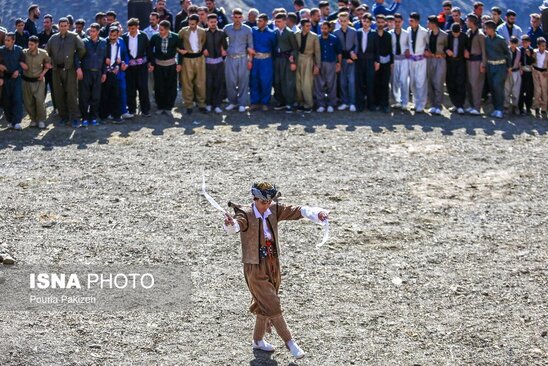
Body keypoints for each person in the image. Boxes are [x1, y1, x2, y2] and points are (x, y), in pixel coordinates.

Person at [223, 182, 328, 360]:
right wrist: (230, 224)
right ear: (254, 199)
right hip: (255, 266)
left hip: (273, 264)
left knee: (264, 305)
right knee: (272, 303)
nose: (266, 205)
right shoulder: (245, 213)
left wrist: (317, 213)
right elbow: (236, 226)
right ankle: (290, 342)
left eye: (269, 202)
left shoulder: (273, 209)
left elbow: (297, 210)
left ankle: (257, 340)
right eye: (263, 202)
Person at [47, 17, 86, 128]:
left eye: (65, 26)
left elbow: (82, 50)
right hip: (56, 70)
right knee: (59, 94)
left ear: (68, 26)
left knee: (71, 94)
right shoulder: (53, 38)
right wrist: (48, 62)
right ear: (58, 26)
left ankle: (74, 118)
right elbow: (47, 52)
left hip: (70, 70)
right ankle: (63, 117)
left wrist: (75, 62)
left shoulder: (74, 37)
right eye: (61, 26)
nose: (63, 28)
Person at [223, 8, 254, 113]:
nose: (237, 19)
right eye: (235, 17)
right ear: (232, 17)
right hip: (230, 58)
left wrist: (250, 60)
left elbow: (250, 45)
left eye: (239, 17)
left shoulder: (247, 29)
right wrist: (223, 50)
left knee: (243, 81)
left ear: (242, 17)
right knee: (230, 81)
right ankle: (232, 102)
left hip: (243, 58)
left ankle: (242, 103)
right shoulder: (227, 28)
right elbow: (221, 41)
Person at [148, 20, 181, 117]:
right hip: (158, 65)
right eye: (159, 29)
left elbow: (181, 50)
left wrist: (180, 64)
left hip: (171, 65)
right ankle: (160, 106)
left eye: (162, 30)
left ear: (167, 29)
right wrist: (152, 63)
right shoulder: (155, 37)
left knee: (171, 87)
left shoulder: (175, 37)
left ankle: (168, 107)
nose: (160, 31)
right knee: (159, 87)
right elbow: (150, 50)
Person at [178, 14, 207, 115]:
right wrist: (180, 50)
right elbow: (176, 42)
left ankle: (202, 104)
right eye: (190, 24)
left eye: (193, 24)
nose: (191, 26)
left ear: (197, 23)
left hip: (199, 58)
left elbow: (203, 42)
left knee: (201, 82)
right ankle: (189, 105)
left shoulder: (202, 31)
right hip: (187, 58)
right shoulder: (183, 31)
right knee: (187, 83)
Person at [79, 23, 107, 127]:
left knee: (96, 96)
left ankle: (94, 117)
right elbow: (78, 56)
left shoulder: (103, 42)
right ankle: (84, 117)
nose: (91, 33)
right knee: (84, 96)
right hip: (86, 71)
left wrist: (104, 72)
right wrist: (78, 69)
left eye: (94, 31)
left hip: (98, 72)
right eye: (90, 31)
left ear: (98, 31)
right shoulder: (84, 42)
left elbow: (105, 59)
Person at [123, 18, 151, 118]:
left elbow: (149, 50)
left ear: (137, 27)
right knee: (131, 89)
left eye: (133, 28)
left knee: (143, 87)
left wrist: (149, 62)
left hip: (141, 66)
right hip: (129, 67)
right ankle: (131, 110)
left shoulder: (143, 36)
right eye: (130, 28)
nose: (132, 30)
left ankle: (145, 110)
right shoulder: (124, 38)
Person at [100, 26, 129, 123]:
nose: (112, 37)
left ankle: (116, 115)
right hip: (105, 72)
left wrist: (120, 63)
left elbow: (122, 56)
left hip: (115, 72)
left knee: (116, 94)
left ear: (118, 35)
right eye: (111, 35)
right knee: (105, 94)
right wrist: (105, 61)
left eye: (114, 35)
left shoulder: (119, 43)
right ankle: (104, 115)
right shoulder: (104, 43)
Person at [484, 20, 511, 119]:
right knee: (492, 88)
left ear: (491, 29)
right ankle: (495, 109)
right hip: (490, 66)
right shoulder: (486, 40)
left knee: (498, 87)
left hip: (500, 66)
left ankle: (500, 109)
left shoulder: (500, 39)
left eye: (486, 28)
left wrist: (509, 66)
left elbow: (508, 53)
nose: (485, 30)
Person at [22, 35, 51, 129]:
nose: (29, 46)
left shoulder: (43, 53)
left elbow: (48, 65)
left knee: (39, 101)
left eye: (32, 44)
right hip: (26, 80)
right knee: (28, 102)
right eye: (29, 44)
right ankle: (33, 119)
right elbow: (18, 61)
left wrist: (43, 74)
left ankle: (41, 120)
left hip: (39, 81)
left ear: (37, 44)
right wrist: (22, 64)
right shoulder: (24, 53)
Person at [249, 14, 276, 112]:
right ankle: (255, 102)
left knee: (266, 82)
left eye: (260, 21)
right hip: (255, 59)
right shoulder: (253, 31)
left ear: (265, 22)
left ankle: (265, 103)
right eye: (257, 20)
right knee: (254, 80)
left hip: (266, 60)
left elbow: (274, 47)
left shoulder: (272, 33)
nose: (258, 22)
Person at [0, 33, 27, 130]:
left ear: (13, 41)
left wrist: (18, 71)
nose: (6, 42)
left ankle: (16, 122)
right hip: (6, 78)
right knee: (6, 100)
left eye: (8, 40)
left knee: (17, 99)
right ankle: (10, 121)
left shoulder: (19, 50)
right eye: (5, 40)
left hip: (16, 78)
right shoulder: (1, 50)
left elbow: (23, 63)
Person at [272, 13, 298, 113]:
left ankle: (289, 103)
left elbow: (295, 48)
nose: (276, 23)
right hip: (277, 60)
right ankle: (280, 101)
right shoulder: (275, 32)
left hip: (287, 60)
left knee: (288, 82)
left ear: (285, 21)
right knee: (277, 81)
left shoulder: (290, 33)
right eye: (276, 21)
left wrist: (293, 60)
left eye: (279, 21)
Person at [315, 21, 341, 113]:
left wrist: (339, 63)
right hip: (320, 63)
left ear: (329, 29)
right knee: (319, 84)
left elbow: (339, 53)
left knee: (331, 84)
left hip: (331, 63)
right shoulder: (317, 39)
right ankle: (321, 104)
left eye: (325, 28)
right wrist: (315, 65)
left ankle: (331, 104)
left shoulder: (334, 39)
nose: (323, 30)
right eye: (322, 28)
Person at [295, 18, 320, 113]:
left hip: (309, 59)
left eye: (310, 25)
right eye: (307, 26)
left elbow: (317, 52)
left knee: (307, 83)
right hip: (298, 58)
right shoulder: (296, 35)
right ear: (302, 26)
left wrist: (317, 65)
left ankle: (309, 104)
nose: (309, 27)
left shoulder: (314, 36)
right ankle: (300, 102)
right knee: (298, 83)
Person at [334, 12, 358, 112]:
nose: (343, 23)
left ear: (348, 21)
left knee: (351, 81)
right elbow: (336, 48)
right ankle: (345, 102)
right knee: (342, 81)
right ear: (339, 21)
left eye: (345, 21)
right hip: (341, 59)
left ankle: (352, 102)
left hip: (351, 60)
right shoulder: (336, 32)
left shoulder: (353, 31)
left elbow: (356, 45)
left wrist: (352, 57)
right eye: (341, 21)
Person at [204, 13, 227, 114]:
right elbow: (201, 45)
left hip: (219, 62)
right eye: (211, 22)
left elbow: (225, 45)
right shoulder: (204, 33)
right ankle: (208, 104)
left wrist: (223, 49)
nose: (213, 24)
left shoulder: (221, 33)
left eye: (215, 22)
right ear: (207, 22)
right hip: (207, 62)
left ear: (217, 22)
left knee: (218, 83)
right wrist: (203, 49)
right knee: (208, 84)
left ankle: (217, 105)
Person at [407, 12, 429, 113]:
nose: (410, 22)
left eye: (412, 21)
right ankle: (415, 102)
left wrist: (426, 50)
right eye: (409, 20)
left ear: (417, 21)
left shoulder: (424, 32)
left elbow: (429, 44)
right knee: (413, 82)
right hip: (411, 60)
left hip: (421, 60)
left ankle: (421, 103)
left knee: (421, 82)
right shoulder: (408, 30)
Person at [425, 14, 447, 115]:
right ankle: (432, 104)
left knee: (438, 82)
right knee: (430, 81)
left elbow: (447, 47)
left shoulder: (444, 35)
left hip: (440, 60)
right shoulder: (428, 34)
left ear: (434, 24)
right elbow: (426, 45)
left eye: (428, 23)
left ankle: (439, 105)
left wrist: (443, 53)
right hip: (430, 59)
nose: (427, 24)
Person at [464, 13, 486, 115]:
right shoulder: (468, 32)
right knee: (469, 84)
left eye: (467, 21)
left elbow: (484, 51)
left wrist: (483, 64)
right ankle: (471, 105)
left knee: (476, 84)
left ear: (472, 22)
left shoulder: (480, 35)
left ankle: (477, 107)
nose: (466, 22)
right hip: (468, 61)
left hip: (477, 62)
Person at [355, 13, 376, 112]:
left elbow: (377, 49)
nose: (365, 23)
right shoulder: (357, 32)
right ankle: (360, 104)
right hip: (359, 60)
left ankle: (371, 104)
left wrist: (377, 61)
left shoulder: (374, 33)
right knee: (359, 82)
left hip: (370, 60)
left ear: (371, 23)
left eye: (368, 22)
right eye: (364, 21)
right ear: (361, 21)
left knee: (370, 82)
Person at [445, 23, 467, 114]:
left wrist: (466, 50)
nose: (455, 35)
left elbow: (467, 46)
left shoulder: (464, 36)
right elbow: (442, 46)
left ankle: (460, 105)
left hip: (461, 61)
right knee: (450, 83)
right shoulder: (447, 35)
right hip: (450, 62)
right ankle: (455, 104)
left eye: (457, 33)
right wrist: (446, 50)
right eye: (454, 33)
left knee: (460, 83)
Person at [373, 14, 393, 113]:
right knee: (376, 83)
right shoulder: (373, 34)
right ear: (375, 22)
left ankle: (385, 104)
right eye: (378, 22)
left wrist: (391, 63)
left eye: (382, 22)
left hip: (386, 62)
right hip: (376, 62)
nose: (380, 24)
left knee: (385, 84)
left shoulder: (388, 35)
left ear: (385, 23)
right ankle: (376, 103)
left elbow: (390, 49)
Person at [38, 14, 57, 113]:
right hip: (43, 68)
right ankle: (41, 109)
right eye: (44, 22)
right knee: (42, 90)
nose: (45, 24)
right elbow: (38, 52)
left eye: (47, 22)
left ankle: (56, 108)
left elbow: (58, 52)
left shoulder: (56, 36)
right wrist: (44, 64)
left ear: (51, 23)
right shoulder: (40, 36)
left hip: (54, 68)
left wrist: (52, 64)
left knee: (55, 89)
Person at [390, 13, 409, 110]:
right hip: (394, 59)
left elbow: (410, 45)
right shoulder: (390, 33)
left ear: (402, 22)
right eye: (395, 22)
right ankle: (397, 101)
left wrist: (408, 50)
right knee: (394, 81)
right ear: (393, 22)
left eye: (399, 22)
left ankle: (405, 102)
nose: (397, 23)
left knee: (404, 80)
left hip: (404, 59)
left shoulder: (406, 33)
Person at [504, 36, 522, 115]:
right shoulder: (506, 50)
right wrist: (507, 68)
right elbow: (503, 60)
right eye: (512, 43)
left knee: (516, 90)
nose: (513, 45)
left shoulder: (519, 51)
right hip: (507, 71)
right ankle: (506, 106)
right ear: (509, 42)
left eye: (515, 43)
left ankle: (515, 106)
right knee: (506, 89)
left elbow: (520, 61)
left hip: (516, 71)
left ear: (517, 44)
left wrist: (520, 68)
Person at [518, 35, 534, 116]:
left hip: (529, 72)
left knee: (529, 91)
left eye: (526, 42)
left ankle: (528, 107)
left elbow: (533, 61)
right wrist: (520, 67)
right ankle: (520, 108)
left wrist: (529, 56)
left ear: (529, 43)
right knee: (521, 90)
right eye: (523, 42)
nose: (524, 44)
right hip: (522, 71)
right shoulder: (520, 50)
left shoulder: (531, 50)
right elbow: (519, 61)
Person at [532, 37, 548, 118]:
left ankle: (544, 109)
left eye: (545, 46)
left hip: (544, 73)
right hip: (536, 72)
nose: (543, 47)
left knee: (544, 91)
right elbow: (531, 61)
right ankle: (537, 107)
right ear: (538, 45)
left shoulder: (547, 54)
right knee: (537, 90)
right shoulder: (534, 52)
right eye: (542, 45)